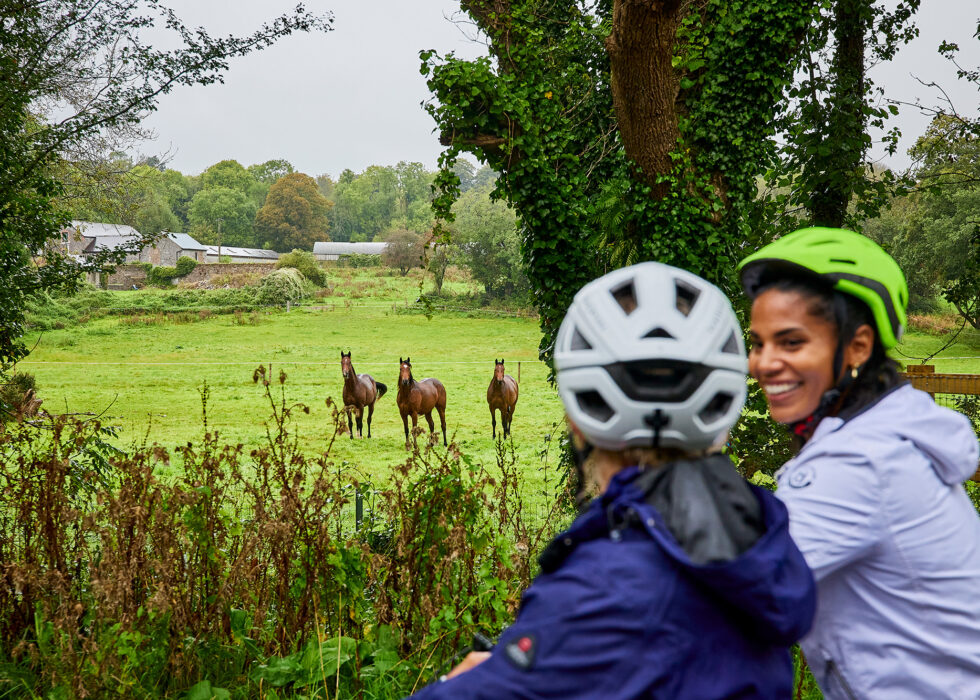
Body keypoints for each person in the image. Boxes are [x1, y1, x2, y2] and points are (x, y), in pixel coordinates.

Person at [407, 262, 815, 699]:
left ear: (578, 422)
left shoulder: (600, 588)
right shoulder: (763, 543)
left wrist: (462, 681)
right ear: (724, 418)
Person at [739, 226, 980, 700]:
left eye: (790, 343)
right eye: (759, 342)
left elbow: (741, 600)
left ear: (858, 347)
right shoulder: (887, 433)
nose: (763, 363)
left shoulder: (859, 462)